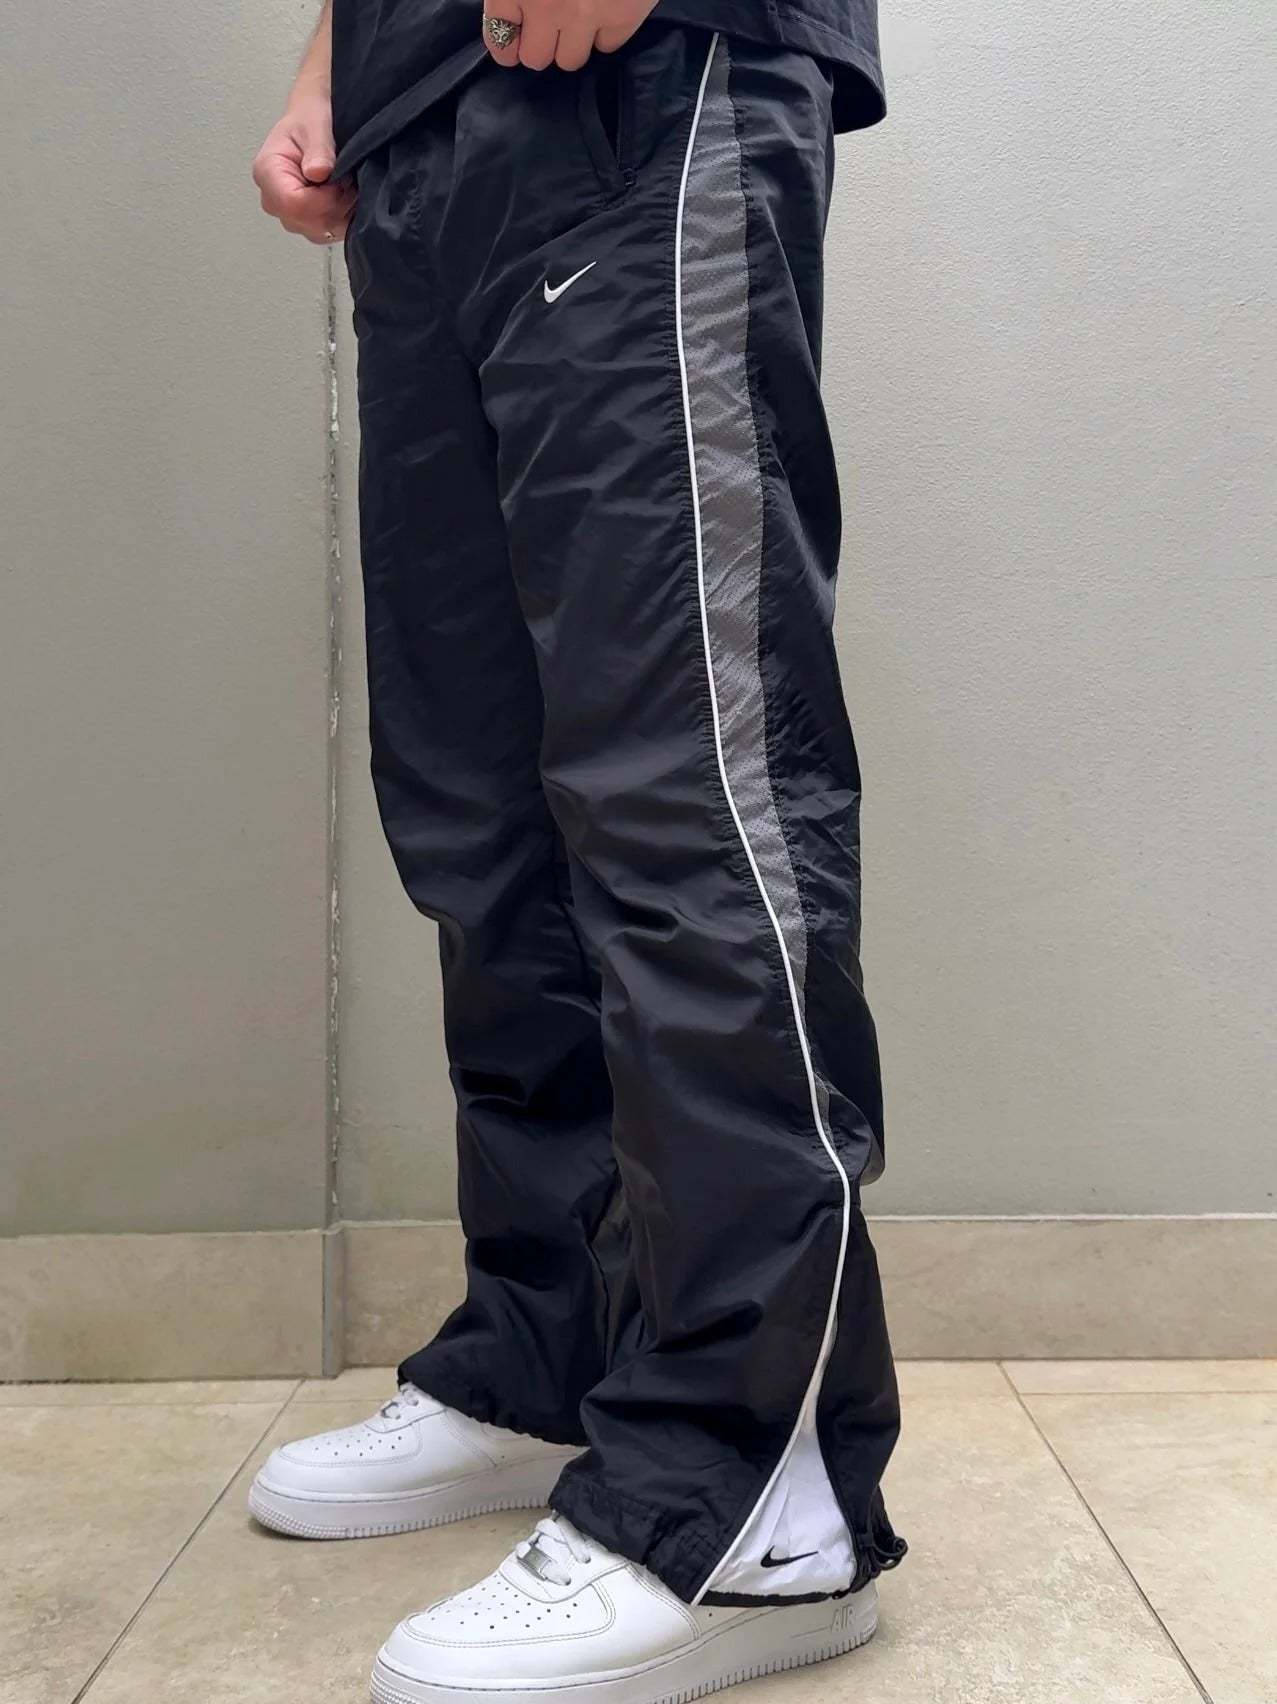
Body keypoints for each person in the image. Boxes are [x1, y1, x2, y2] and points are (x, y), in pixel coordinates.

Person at [251, 3, 906, 1700]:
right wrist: (336, 61)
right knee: (481, 809)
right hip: (421, 113)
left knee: (682, 779)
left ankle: (754, 1492)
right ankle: (547, 1351)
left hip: (649, 73)